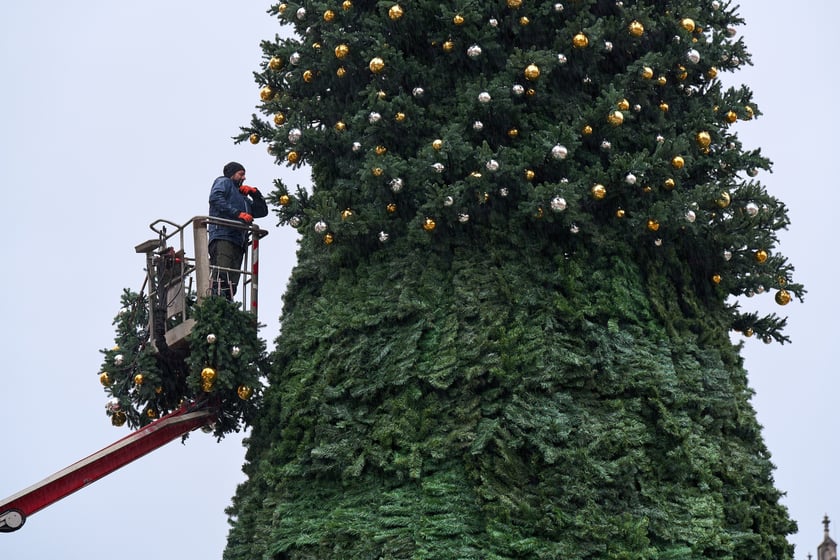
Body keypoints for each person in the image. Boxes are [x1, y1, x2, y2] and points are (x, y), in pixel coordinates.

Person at [208, 162, 268, 299]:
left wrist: (255, 194)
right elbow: (215, 198)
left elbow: (262, 211)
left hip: (238, 241)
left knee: (232, 280)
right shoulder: (223, 182)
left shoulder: (244, 199)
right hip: (223, 235)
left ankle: (227, 305)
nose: (244, 178)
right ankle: (216, 303)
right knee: (222, 274)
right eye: (241, 174)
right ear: (232, 174)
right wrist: (237, 214)